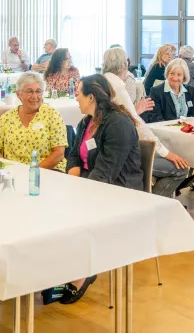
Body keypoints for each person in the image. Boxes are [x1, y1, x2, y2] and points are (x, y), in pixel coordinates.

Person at [62, 75, 143, 305]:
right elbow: (74, 155)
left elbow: (107, 173)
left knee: (70, 210)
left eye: (78, 93)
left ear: (91, 97)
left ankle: (82, 271)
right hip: (91, 182)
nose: (75, 98)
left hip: (120, 190)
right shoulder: (86, 122)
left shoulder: (117, 123)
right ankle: (63, 265)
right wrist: (72, 176)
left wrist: (75, 190)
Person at [101, 48, 189, 199]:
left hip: (107, 150)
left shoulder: (100, 81)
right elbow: (136, 124)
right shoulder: (118, 86)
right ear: (124, 64)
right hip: (122, 153)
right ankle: (149, 203)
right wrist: (167, 153)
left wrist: (134, 112)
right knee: (181, 169)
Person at [0, 72, 66, 170]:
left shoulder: (52, 115)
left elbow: (59, 153)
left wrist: (33, 172)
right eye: (29, 91)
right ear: (18, 94)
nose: (34, 96)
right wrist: (4, 168)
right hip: (14, 172)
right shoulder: (7, 117)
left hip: (48, 171)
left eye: (38, 91)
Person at [144, 58, 194, 123]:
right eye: (172, 73)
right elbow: (156, 119)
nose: (175, 78)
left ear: (184, 77)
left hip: (186, 130)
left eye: (179, 74)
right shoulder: (156, 91)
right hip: (165, 131)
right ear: (167, 74)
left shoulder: (189, 90)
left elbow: (193, 114)